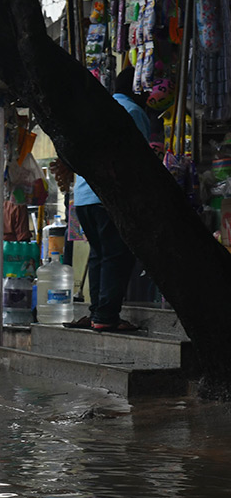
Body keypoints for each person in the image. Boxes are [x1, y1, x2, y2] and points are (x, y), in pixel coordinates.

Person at [52, 67, 151, 333]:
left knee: (99, 255)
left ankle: (97, 312)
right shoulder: (131, 112)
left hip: (85, 198)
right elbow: (140, 160)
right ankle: (106, 316)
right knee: (116, 256)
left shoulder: (98, 110)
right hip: (108, 197)